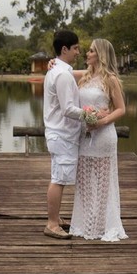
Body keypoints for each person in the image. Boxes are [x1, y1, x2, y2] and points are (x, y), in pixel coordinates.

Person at [66, 38, 127, 242]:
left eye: (91, 51)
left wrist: (103, 121)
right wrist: (52, 63)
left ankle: (101, 227)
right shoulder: (85, 76)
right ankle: (85, 225)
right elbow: (61, 72)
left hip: (104, 136)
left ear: (100, 54)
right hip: (85, 136)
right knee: (83, 180)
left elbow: (121, 109)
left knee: (102, 183)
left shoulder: (110, 79)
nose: (86, 53)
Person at [42, 30, 85, 239]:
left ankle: (56, 218)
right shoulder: (61, 74)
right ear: (64, 49)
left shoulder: (59, 71)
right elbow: (68, 108)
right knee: (58, 179)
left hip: (59, 134)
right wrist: (90, 114)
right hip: (62, 134)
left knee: (57, 175)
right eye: (75, 48)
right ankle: (51, 224)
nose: (78, 52)